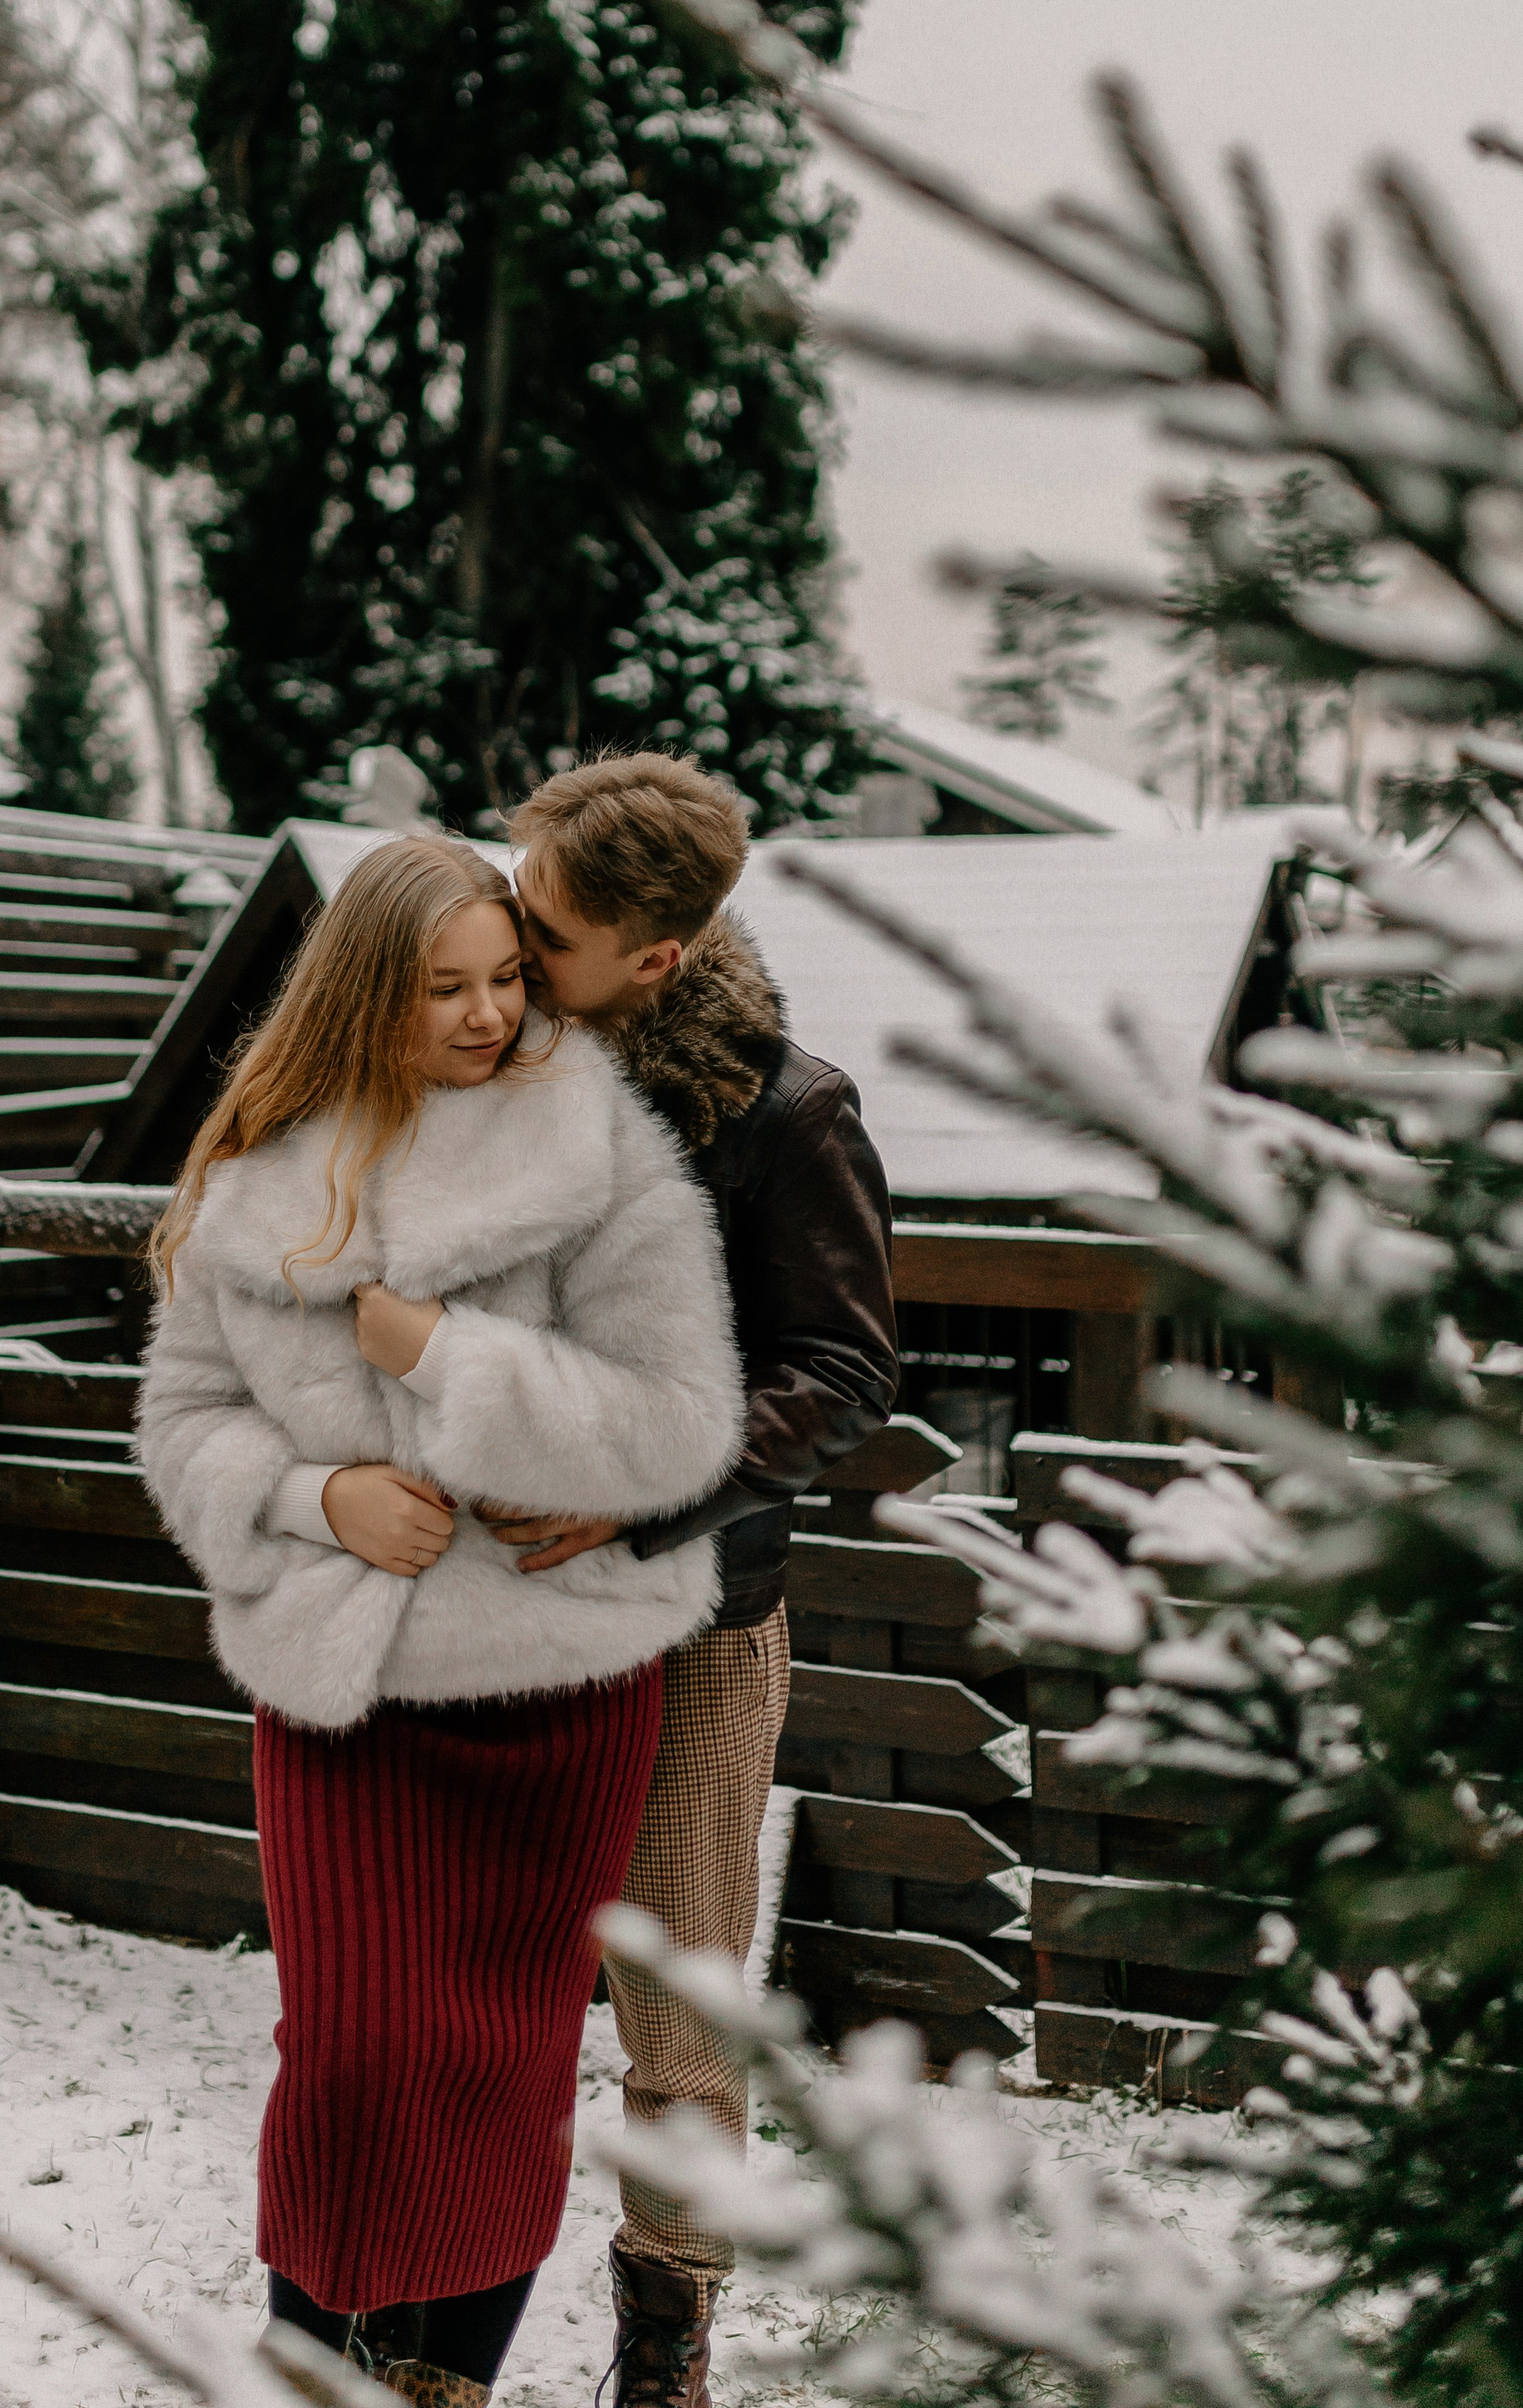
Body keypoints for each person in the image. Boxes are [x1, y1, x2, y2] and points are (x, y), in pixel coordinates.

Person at [138, 835, 744, 2408]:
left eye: (502, 981)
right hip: (342, 1688)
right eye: (443, 989)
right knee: (349, 2055)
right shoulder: (257, 1167)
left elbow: (682, 1422)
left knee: (496, 2063)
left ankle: (433, 2383)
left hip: (553, 1680)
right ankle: (306, 2359)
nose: (488, 1016)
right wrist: (314, 1497)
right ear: (361, 996)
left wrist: (444, 1358)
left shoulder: (596, 1153)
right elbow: (185, 1419)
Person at [487, 752, 899, 2408]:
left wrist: (631, 1490)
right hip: (484, 1622)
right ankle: (436, 2316)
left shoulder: (790, 1115)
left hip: (689, 1628)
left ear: (655, 957)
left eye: (546, 931)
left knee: (675, 2017)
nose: (513, 944)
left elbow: (844, 1371)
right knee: (477, 1998)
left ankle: (666, 2336)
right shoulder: (486, 1054)